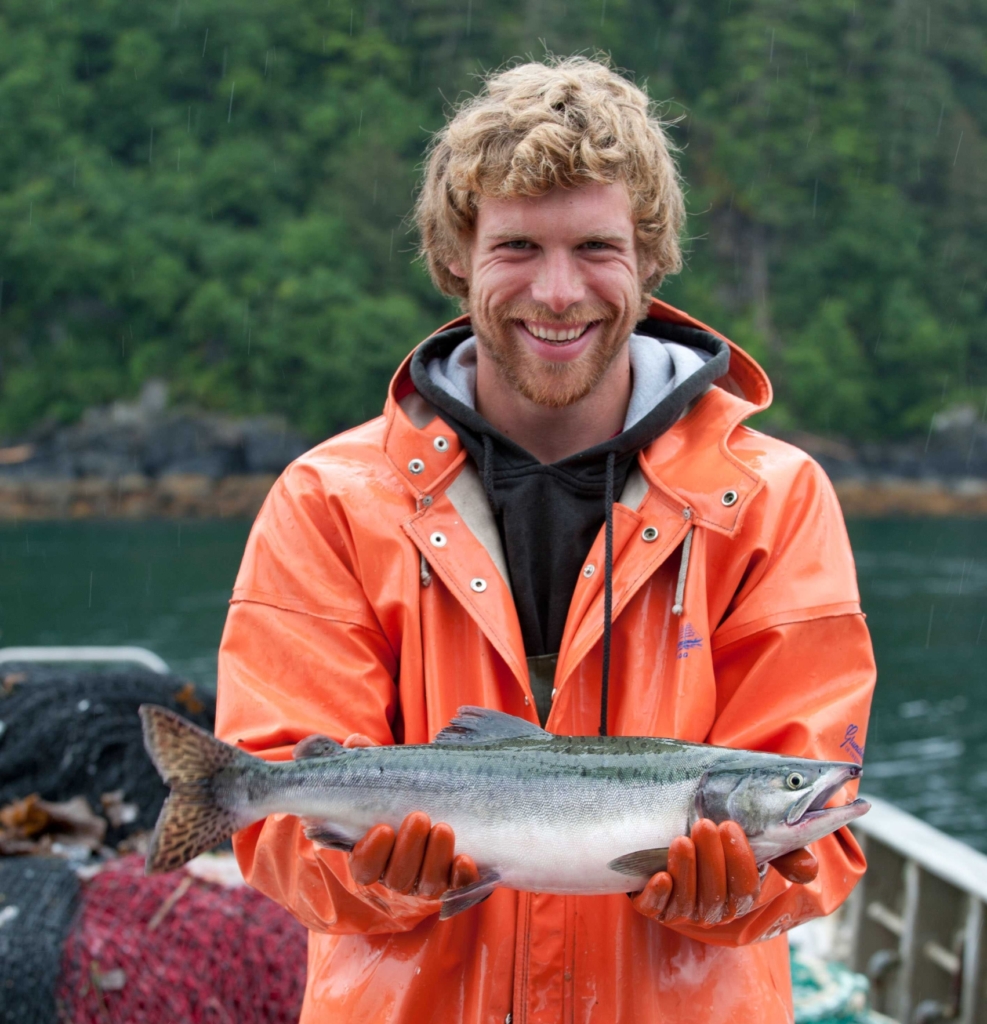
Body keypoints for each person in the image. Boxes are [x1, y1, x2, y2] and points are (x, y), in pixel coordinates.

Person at [216, 56, 875, 1024]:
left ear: (650, 260)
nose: (559, 292)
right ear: (457, 259)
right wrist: (376, 874)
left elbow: (822, 839)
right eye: (518, 245)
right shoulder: (328, 499)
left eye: (597, 247)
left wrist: (744, 884)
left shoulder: (771, 500)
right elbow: (281, 837)